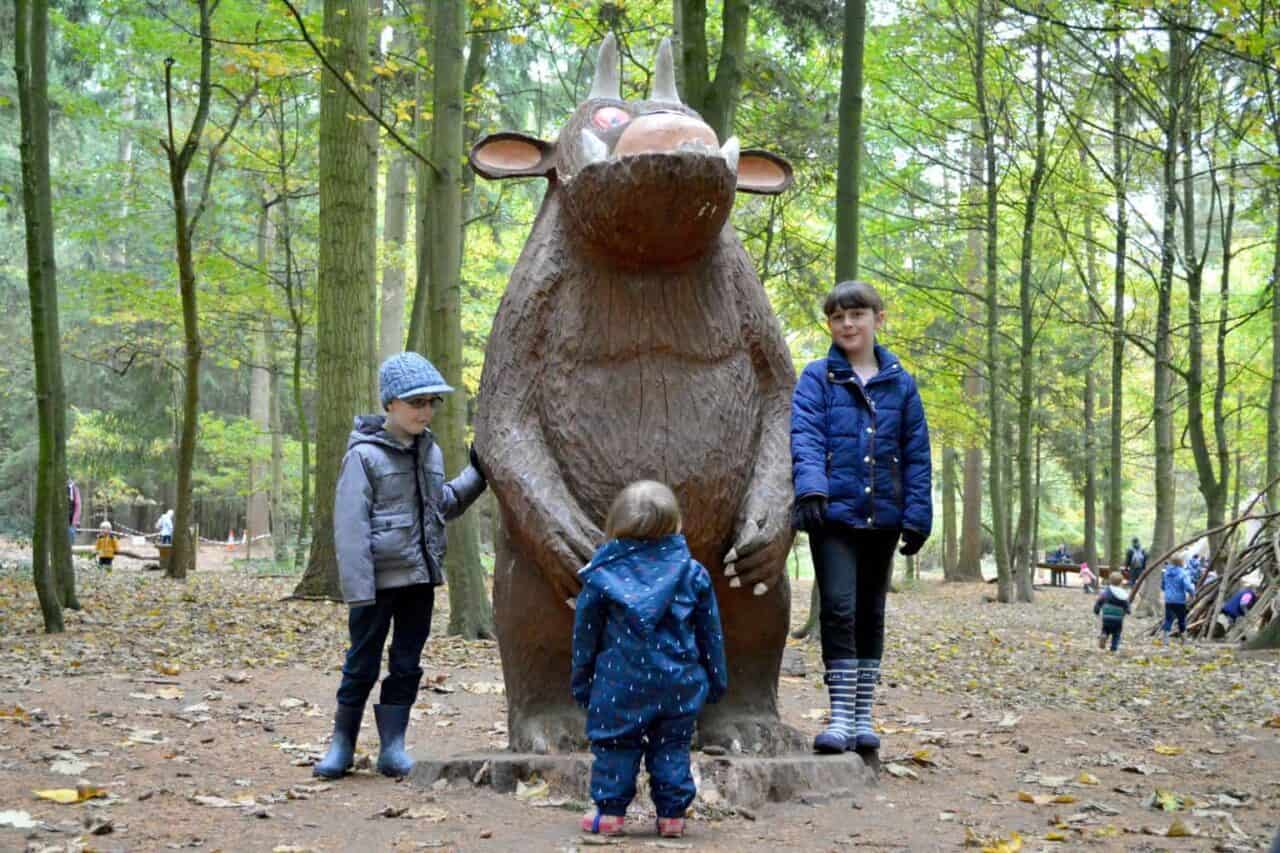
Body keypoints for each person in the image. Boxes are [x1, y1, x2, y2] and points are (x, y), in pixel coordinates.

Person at [313, 352, 487, 780]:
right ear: (390, 403)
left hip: (420, 578)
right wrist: (359, 591)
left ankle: (393, 746)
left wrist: (477, 476)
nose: (424, 411)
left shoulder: (430, 452)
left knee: (407, 663)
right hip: (376, 584)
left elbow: (440, 505)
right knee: (362, 662)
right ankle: (342, 745)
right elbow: (350, 527)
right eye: (415, 402)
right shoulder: (364, 457)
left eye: (431, 403)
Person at [791, 280, 932, 755]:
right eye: (837, 317)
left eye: (856, 315)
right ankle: (840, 716)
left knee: (871, 612)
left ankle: (864, 716)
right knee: (839, 609)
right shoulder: (817, 378)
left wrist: (918, 515)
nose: (847, 324)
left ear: (878, 318)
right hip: (833, 517)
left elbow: (916, 453)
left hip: (883, 518)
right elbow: (805, 435)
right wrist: (811, 486)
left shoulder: (901, 382)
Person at [571, 481, 727, 839]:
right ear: (676, 526)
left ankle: (609, 813)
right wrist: (717, 681)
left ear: (615, 526)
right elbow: (711, 634)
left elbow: (585, 635)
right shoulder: (693, 574)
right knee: (672, 746)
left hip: (619, 683)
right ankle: (672, 816)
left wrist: (582, 682)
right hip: (679, 684)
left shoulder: (601, 575)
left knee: (615, 746)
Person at [1093, 571, 1131, 652]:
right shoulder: (1123, 593)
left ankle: (1104, 635)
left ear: (1110, 581)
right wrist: (1128, 611)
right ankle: (1113, 648)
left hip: (1106, 615)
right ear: (1121, 582)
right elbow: (1126, 604)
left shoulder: (1106, 591)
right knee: (1116, 633)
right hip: (1118, 618)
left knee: (1105, 628)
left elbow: (1099, 601)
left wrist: (1096, 610)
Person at [1160, 555, 1195, 641]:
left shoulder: (1166, 572)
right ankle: (1183, 639)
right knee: (1181, 619)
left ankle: (1165, 639)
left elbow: (1163, 586)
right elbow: (1188, 586)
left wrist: (1168, 590)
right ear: (1181, 562)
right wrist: (1192, 593)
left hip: (1168, 599)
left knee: (1168, 619)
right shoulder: (1183, 573)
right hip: (1179, 600)